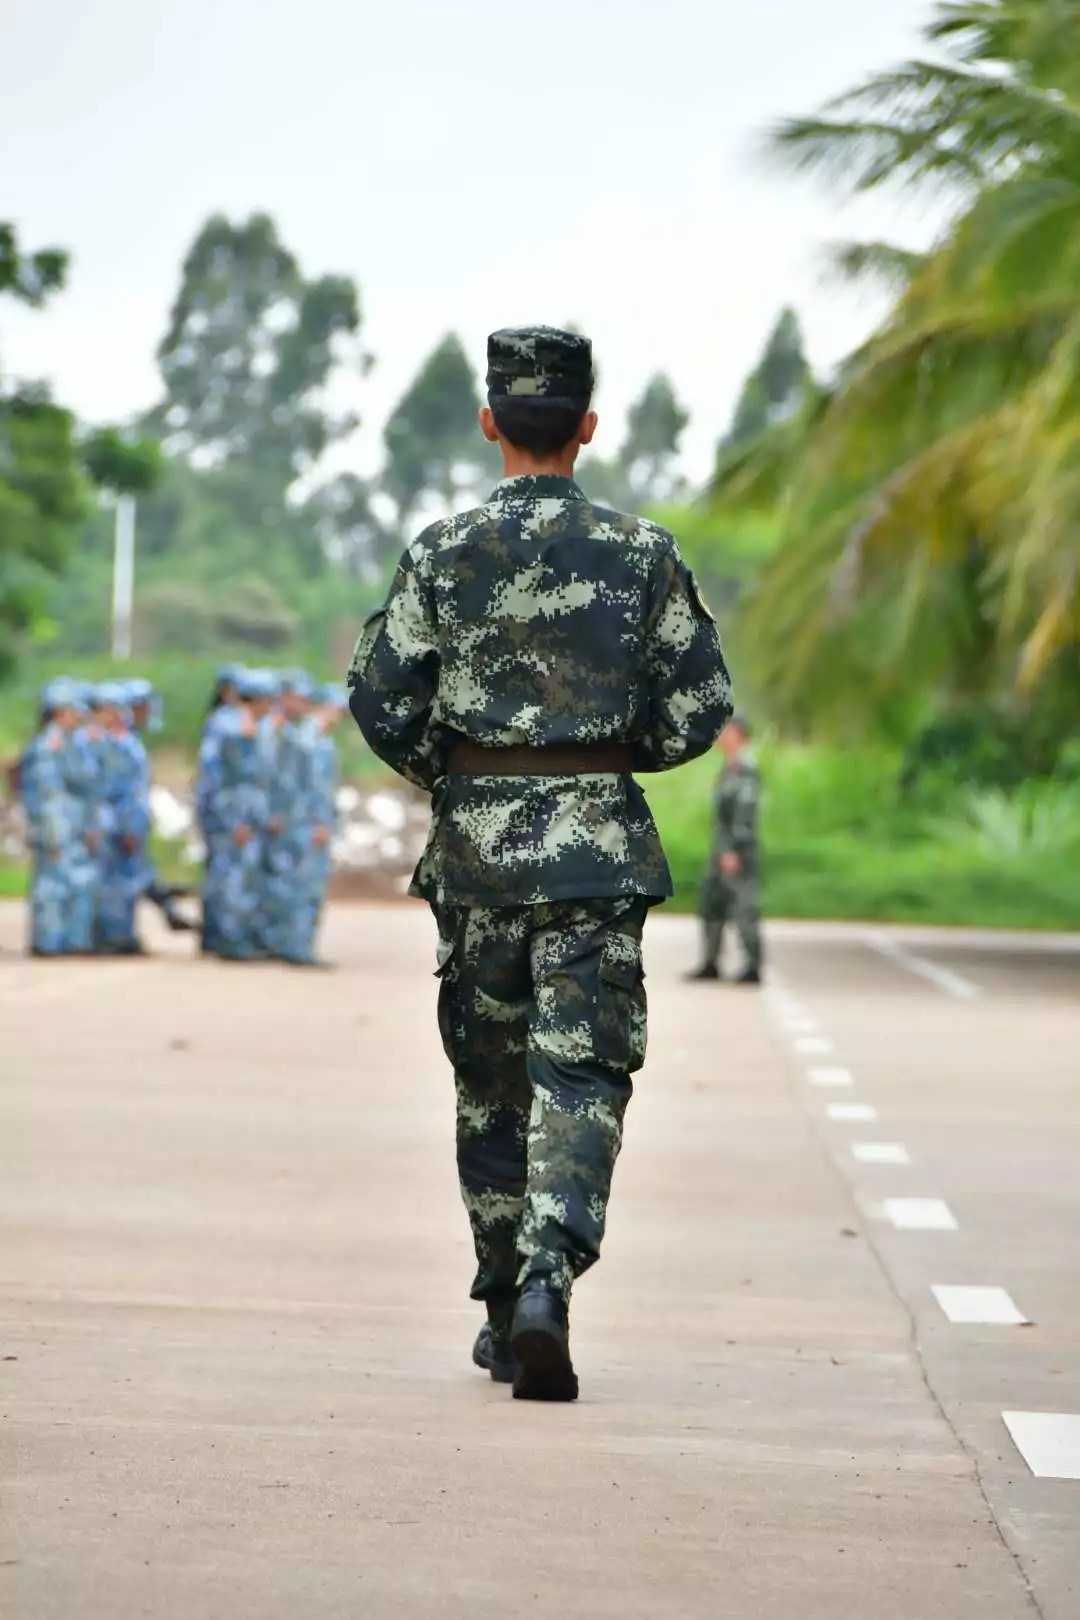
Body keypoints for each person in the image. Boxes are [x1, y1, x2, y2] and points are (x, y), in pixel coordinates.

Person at [348, 326, 733, 1401]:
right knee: (581, 1073)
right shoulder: (644, 553)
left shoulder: (442, 549)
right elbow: (701, 706)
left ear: (489, 424)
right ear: (587, 426)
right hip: (596, 856)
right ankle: (547, 1288)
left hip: (476, 857)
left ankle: (497, 1299)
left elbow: (379, 696)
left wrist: (463, 776)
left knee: (492, 1084)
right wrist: (608, 763)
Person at [20, 678, 101, 956]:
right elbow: (46, 797)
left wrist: (90, 826)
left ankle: (72, 941)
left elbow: (87, 785)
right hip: (57, 829)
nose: (78, 718)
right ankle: (49, 942)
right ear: (58, 711)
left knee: (77, 884)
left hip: (74, 827)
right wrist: (53, 835)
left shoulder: (73, 742)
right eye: (72, 712)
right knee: (52, 888)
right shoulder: (47, 746)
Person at [201, 668, 277, 961]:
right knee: (233, 877)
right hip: (235, 813)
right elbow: (221, 779)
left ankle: (242, 937)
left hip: (250, 812)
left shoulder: (254, 725)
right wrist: (236, 820)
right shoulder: (231, 727)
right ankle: (231, 940)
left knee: (246, 877)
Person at [688, 714, 762, 985]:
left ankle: (752, 965)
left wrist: (733, 850)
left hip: (736, 851)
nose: (720, 737)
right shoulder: (729, 767)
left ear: (738, 734)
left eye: (726, 731)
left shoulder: (746, 769)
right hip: (721, 849)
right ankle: (710, 962)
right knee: (711, 904)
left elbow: (744, 814)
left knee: (743, 907)